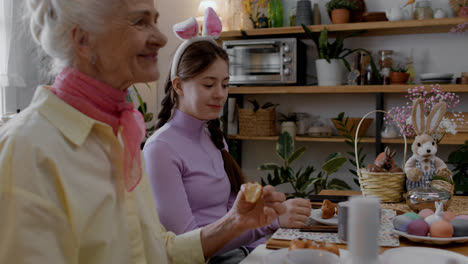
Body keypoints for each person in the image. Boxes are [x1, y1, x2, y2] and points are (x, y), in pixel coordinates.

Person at [0, 0, 287, 263]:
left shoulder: (120, 137)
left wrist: (237, 222)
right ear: (83, 40)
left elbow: (157, 250)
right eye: (140, 22)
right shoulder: (28, 149)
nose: (161, 38)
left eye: (154, 20)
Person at [142, 9, 311, 263]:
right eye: (209, 85)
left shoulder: (214, 138)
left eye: (225, 84)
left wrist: (269, 232)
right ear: (178, 86)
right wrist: (271, 223)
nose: (220, 94)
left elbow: (238, 216)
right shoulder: (160, 149)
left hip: (240, 253)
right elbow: (187, 244)